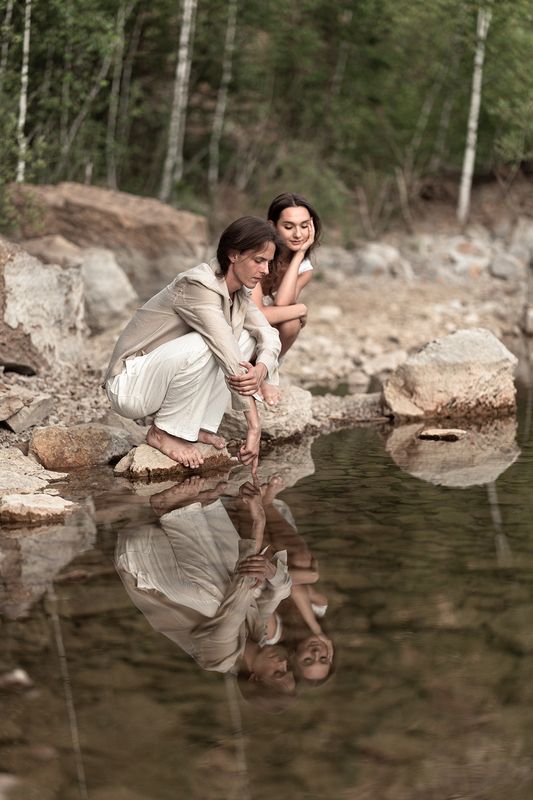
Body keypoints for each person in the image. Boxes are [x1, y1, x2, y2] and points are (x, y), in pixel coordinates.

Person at [103, 217, 282, 475]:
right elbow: (226, 351)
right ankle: (162, 433)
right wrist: (254, 426)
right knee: (212, 343)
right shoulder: (197, 284)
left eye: (268, 262)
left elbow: (269, 334)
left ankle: (197, 427)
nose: (265, 270)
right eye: (259, 260)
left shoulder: (239, 294)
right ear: (233, 255)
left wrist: (262, 369)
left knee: (248, 337)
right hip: (130, 386)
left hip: (159, 381)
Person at [115, 480, 295, 695]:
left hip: (139, 559)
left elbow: (235, 601)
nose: (283, 663)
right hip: (168, 550)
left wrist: (259, 520)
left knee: (223, 598)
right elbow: (281, 591)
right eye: (288, 668)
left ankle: (173, 507)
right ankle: (203, 507)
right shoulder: (257, 634)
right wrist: (272, 573)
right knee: (256, 587)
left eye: (278, 672)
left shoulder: (218, 658)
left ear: (254, 678)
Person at [250, 193, 321, 404]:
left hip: (259, 331)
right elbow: (258, 315)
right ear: (272, 226)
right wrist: (302, 309)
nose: (298, 234)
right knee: (294, 314)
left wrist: (299, 255)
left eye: (304, 226)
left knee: (291, 322)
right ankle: (259, 372)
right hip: (233, 325)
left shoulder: (304, 269)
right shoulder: (257, 254)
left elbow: (282, 303)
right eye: (289, 227)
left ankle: (266, 370)